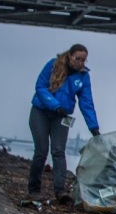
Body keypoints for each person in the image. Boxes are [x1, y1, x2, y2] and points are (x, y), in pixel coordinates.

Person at [28, 43, 100, 203]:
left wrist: (94, 127)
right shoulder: (53, 65)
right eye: (78, 59)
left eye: (84, 60)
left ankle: (60, 191)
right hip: (41, 111)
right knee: (41, 150)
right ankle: (34, 189)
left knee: (59, 151)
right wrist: (55, 105)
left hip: (61, 116)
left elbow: (86, 102)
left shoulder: (83, 76)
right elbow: (40, 87)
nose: (80, 63)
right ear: (69, 56)